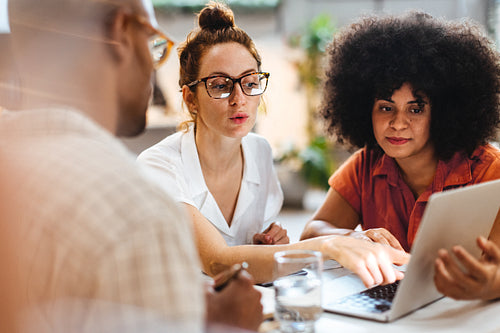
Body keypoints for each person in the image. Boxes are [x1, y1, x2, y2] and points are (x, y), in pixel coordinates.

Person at [1, 0, 262, 331]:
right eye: (152, 40)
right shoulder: (137, 214)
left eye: (249, 83)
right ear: (122, 33)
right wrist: (227, 324)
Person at [137, 1, 409, 288]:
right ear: (190, 98)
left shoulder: (259, 153)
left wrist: (266, 246)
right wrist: (326, 244)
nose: (238, 98)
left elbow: (243, 261)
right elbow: (217, 261)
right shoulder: (158, 166)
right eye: (220, 85)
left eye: (250, 83)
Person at [300, 11, 500, 253]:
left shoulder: (489, 171)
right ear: (365, 109)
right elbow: (311, 234)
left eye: (415, 110)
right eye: (386, 107)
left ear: (442, 113)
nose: (398, 123)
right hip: (383, 289)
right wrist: (353, 237)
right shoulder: (365, 166)